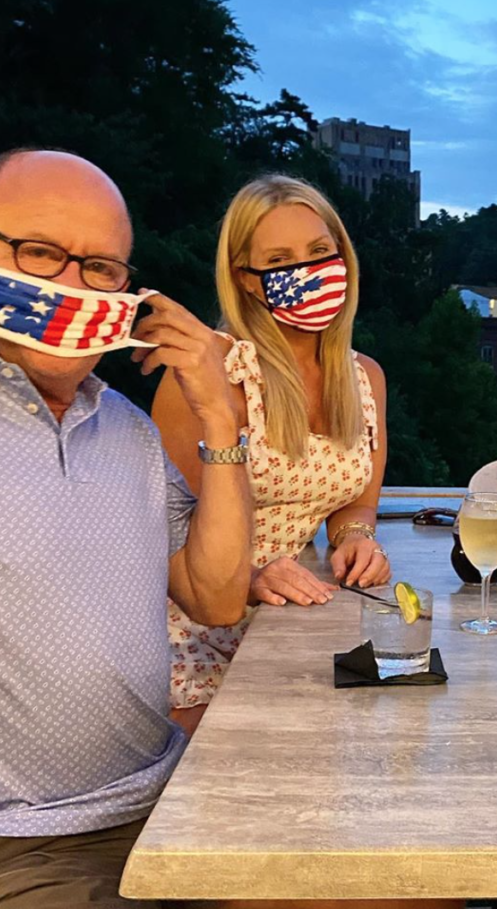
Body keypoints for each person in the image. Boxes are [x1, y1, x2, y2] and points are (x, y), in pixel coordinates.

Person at [0, 149, 251, 906]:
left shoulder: (129, 431)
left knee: (389, 880)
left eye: (103, 267)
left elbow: (215, 596)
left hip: (167, 791)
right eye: (41, 252)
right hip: (29, 842)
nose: (72, 282)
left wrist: (218, 415)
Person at [153, 174, 390, 732]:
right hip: (191, 632)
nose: (307, 272)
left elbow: (355, 504)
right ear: (248, 280)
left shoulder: (364, 378)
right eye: (281, 261)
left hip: (293, 624)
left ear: (343, 258)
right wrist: (251, 574)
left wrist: (358, 541)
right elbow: (165, 533)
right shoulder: (208, 372)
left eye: (319, 252)